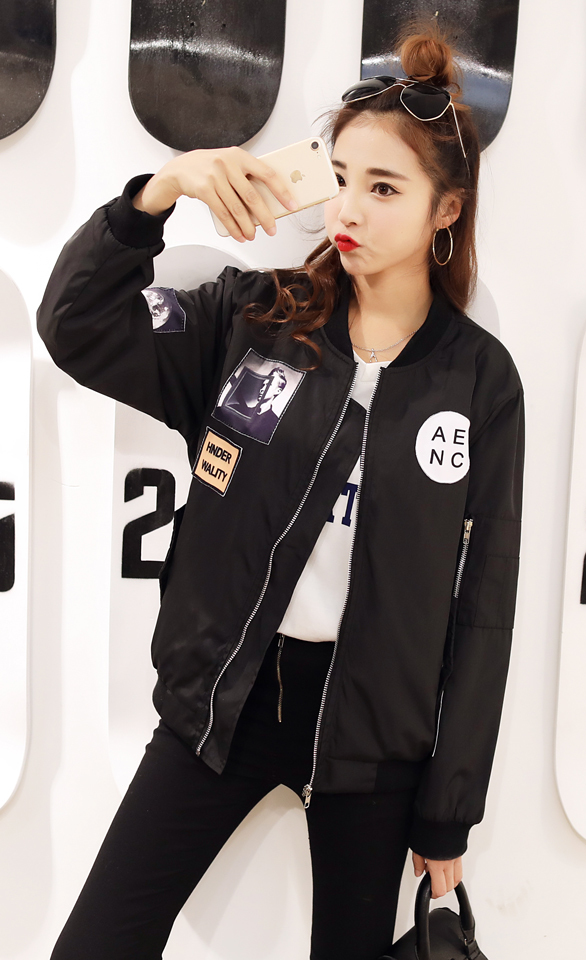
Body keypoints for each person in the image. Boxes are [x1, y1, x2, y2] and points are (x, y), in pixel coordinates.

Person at [38, 21, 524, 960]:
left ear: (446, 210)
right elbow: (76, 325)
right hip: (225, 699)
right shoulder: (254, 318)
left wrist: (448, 811)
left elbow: (484, 608)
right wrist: (160, 192)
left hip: (372, 741)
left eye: (385, 188)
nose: (350, 209)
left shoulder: (480, 381)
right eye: (341, 177)